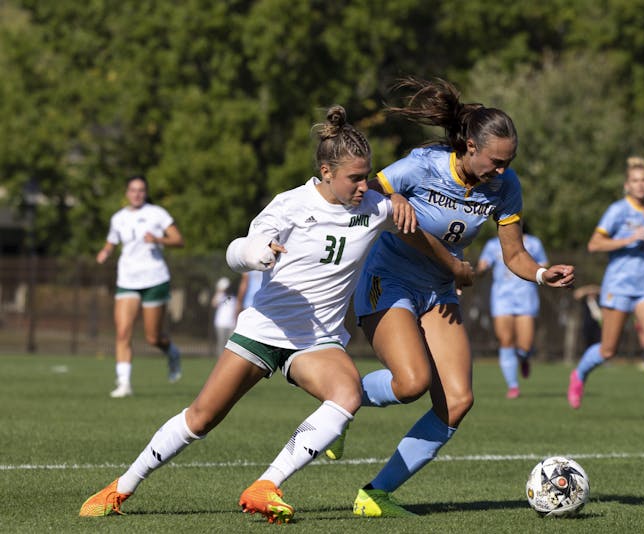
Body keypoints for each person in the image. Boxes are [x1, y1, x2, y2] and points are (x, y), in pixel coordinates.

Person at [79, 106, 461, 523]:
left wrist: (452, 266)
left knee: (347, 394)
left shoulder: (375, 206)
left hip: (316, 342)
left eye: (367, 175)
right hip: (264, 331)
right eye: (354, 177)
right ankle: (122, 486)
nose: (363, 185)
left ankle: (266, 485)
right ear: (326, 171)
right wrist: (254, 253)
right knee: (201, 418)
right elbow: (236, 249)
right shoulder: (290, 205)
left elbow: (414, 230)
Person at [326, 77, 574, 518]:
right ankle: (342, 397)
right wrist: (450, 261)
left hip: (439, 292)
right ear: (468, 146)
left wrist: (539, 273)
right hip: (389, 280)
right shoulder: (422, 165)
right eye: (496, 161)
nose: (502, 171)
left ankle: (375, 494)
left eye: (509, 162)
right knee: (411, 383)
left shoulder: (505, 185)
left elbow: (513, 253)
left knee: (457, 401)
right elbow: (368, 198)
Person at [566, 156, 644, 423]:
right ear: (626, 185)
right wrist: (628, 239)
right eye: (635, 181)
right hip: (619, 285)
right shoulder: (618, 210)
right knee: (608, 350)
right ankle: (579, 374)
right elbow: (594, 244)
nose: (641, 185)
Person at [96, 175, 184, 398]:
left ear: (145, 192)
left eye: (141, 190)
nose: (136, 194)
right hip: (127, 280)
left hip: (154, 279)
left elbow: (178, 240)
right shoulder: (118, 218)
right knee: (123, 331)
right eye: (133, 190)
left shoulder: (157, 214)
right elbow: (112, 241)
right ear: (126, 193)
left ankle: (172, 351)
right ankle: (124, 383)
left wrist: (158, 240)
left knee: (153, 337)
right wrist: (105, 252)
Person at [476, 223, 548, 398]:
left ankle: (524, 358)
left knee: (525, 344)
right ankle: (513, 386)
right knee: (506, 340)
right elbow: (482, 264)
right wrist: (480, 268)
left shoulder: (533, 243)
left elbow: (544, 263)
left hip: (526, 296)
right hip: (502, 298)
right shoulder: (493, 245)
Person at [211, 277, 237, 357]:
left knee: (231, 345)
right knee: (221, 343)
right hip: (220, 323)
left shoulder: (234, 297)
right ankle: (220, 360)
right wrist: (218, 291)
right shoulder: (220, 296)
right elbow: (213, 304)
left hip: (231, 324)